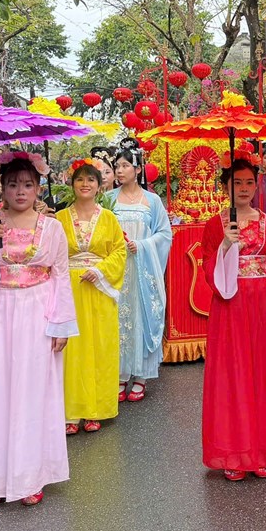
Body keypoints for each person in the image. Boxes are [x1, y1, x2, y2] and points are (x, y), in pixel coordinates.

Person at [0, 152, 77, 508]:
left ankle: (29, 476)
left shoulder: (53, 228)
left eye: (27, 184)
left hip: (38, 313)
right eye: (12, 184)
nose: (20, 191)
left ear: (38, 187)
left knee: (32, 394)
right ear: (2, 188)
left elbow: (60, 276)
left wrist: (61, 324)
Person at [201, 154, 266, 481]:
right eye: (236, 182)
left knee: (264, 376)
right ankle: (234, 452)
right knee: (233, 376)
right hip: (231, 306)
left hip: (265, 304)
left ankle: (265, 449)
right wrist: (226, 245)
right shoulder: (215, 224)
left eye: (249, 182)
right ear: (225, 186)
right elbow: (208, 271)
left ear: (257, 185)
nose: (243, 188)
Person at [57, 160, 127, 434]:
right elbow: (51, 253)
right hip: (69, 289)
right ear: (72, 184)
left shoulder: (108, 218)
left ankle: (96, 408)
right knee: (71, 350)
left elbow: (119, 252)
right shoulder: (60, 218)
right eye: (80, 180)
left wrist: (99, 271)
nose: (85, 184)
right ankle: (70, 412)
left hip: (98, 289)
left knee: (98, 347)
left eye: (91, 180)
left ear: (100, 187)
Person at [109, 147, 172, 403]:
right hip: (118, 269)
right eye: (117, 166)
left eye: (124, 166)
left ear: (137, 169)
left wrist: (142, 245)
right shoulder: (108, 198)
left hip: (143, 270)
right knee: (119, 319)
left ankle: (142, 376)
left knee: (142, 316)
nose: (119, 170)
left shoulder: (152, 201)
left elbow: (164, 234)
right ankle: (121, 374)